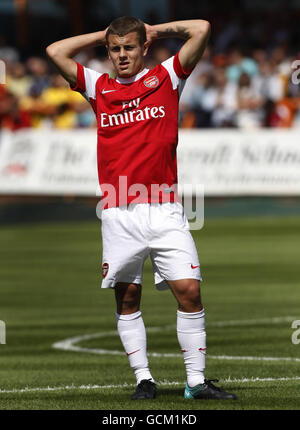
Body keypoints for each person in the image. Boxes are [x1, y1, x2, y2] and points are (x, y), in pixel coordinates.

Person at [46, 16, 237, 401]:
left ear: (143, 48)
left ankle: (196, 382)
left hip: (165, 208)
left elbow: (201, 28)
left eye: (128, 47)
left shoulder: (167, 78)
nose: (121, 55)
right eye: (114, 49)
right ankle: (143, 379)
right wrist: (104, 35)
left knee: (190, 292)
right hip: (118, 210)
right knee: (128, 297)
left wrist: (155, 29)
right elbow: (55, 51)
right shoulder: (98, 87)